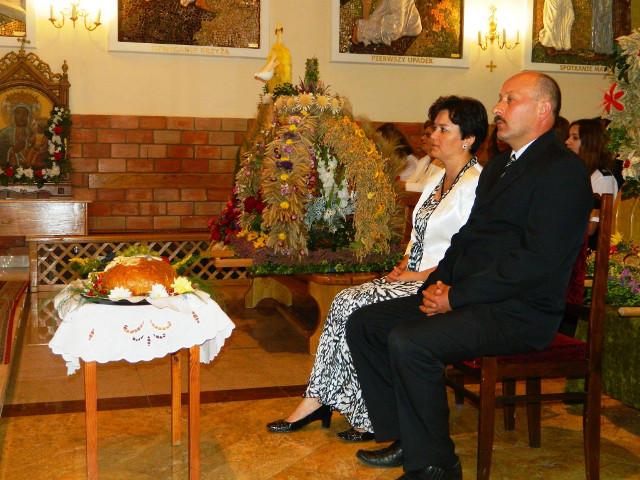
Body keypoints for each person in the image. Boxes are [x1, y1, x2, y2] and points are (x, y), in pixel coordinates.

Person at [346, 71, 592, 479]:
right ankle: (408, 439)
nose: (498, 108)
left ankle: (436, 465)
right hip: (477, 298)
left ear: (543, 109)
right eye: (500, 98)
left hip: (520, 311)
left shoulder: (562, 171)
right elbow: (466, 239)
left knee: (410, 340)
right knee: (367, 324)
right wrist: (436, 285)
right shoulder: (499, 169)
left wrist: (456, 297)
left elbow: (536, 261)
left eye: (510, 99)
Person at [266, 96, 488, 442]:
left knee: (352, 305)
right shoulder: (437, 177)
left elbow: (469, 253)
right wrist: (402, 265)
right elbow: (419, 235)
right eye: (434, 127)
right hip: (411, 276)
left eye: (444, 129)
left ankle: (353, 409)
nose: (433, 135)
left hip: (437, 284)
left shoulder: (475, 184)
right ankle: (322, 400)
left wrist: (417, 275)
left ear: (468, 138)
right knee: (344, 300)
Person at [565, 118, 618, 236]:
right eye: (568, 136)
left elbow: (590, 229)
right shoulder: (575, 172)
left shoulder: (602, 178)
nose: (567, 141)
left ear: (590, 143)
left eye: (575, 138)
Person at [352, 0, 422, 46]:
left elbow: (395, 29)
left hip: (408, 35)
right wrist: (366, 7)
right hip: (397, 33)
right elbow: (380, 13)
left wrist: (362, 32)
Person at [405, 120, 444, 192]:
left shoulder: (442, 162)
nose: (422, 138)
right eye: (423, 134)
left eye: (428, 135)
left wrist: (403, 185)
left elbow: (428, 188)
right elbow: (411, 180)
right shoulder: (423, 160)